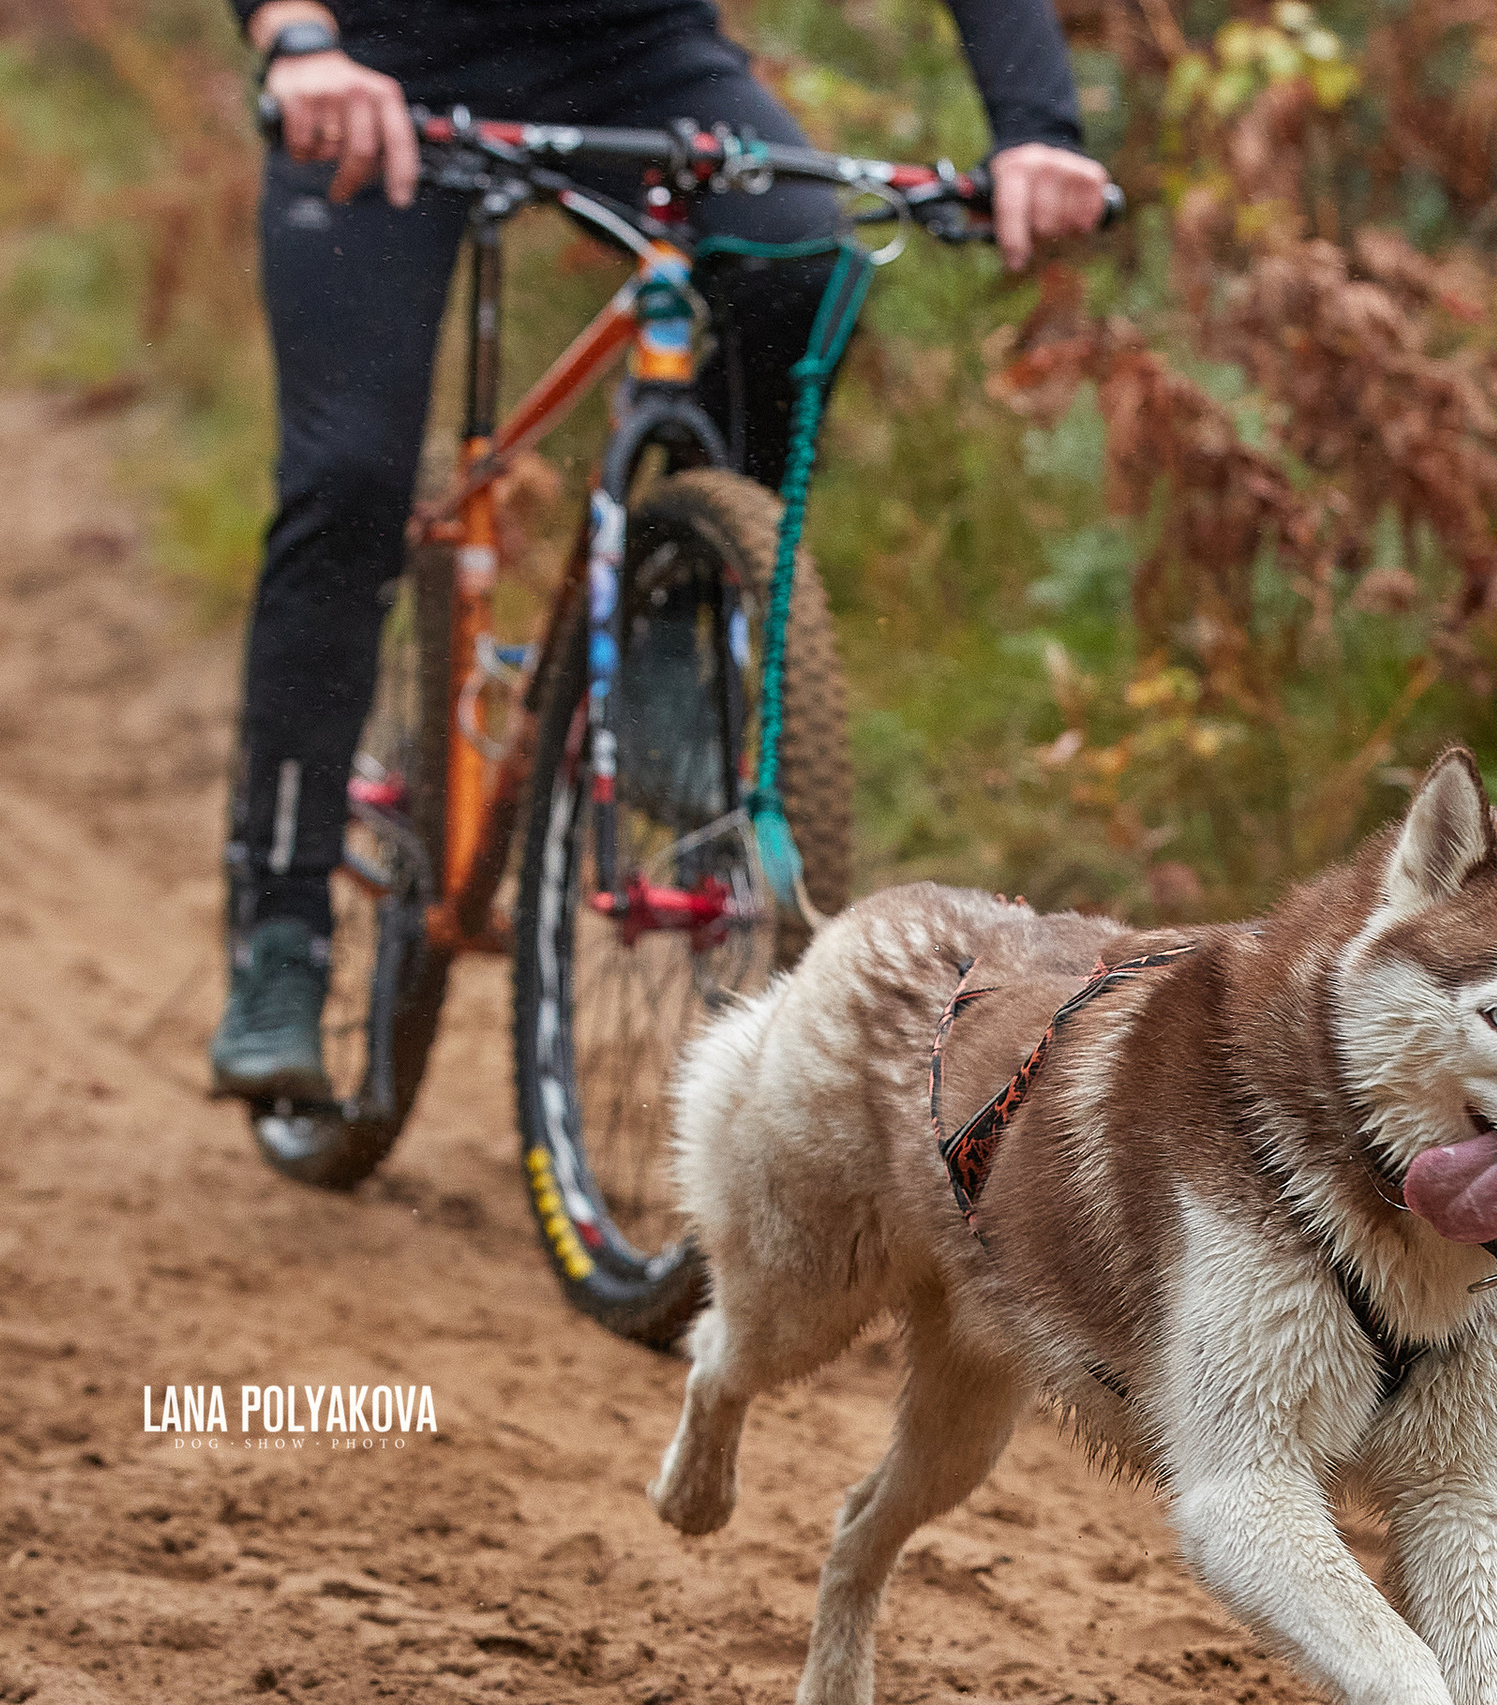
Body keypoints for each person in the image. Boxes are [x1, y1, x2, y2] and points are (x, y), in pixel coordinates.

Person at [209, 0, 1110, 1101]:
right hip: (375, 66)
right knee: (347, 480)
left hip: (632, 54)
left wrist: (1038, 128)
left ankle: (678, 640)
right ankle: (284, 931)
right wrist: (299, 39)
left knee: (805, 262)